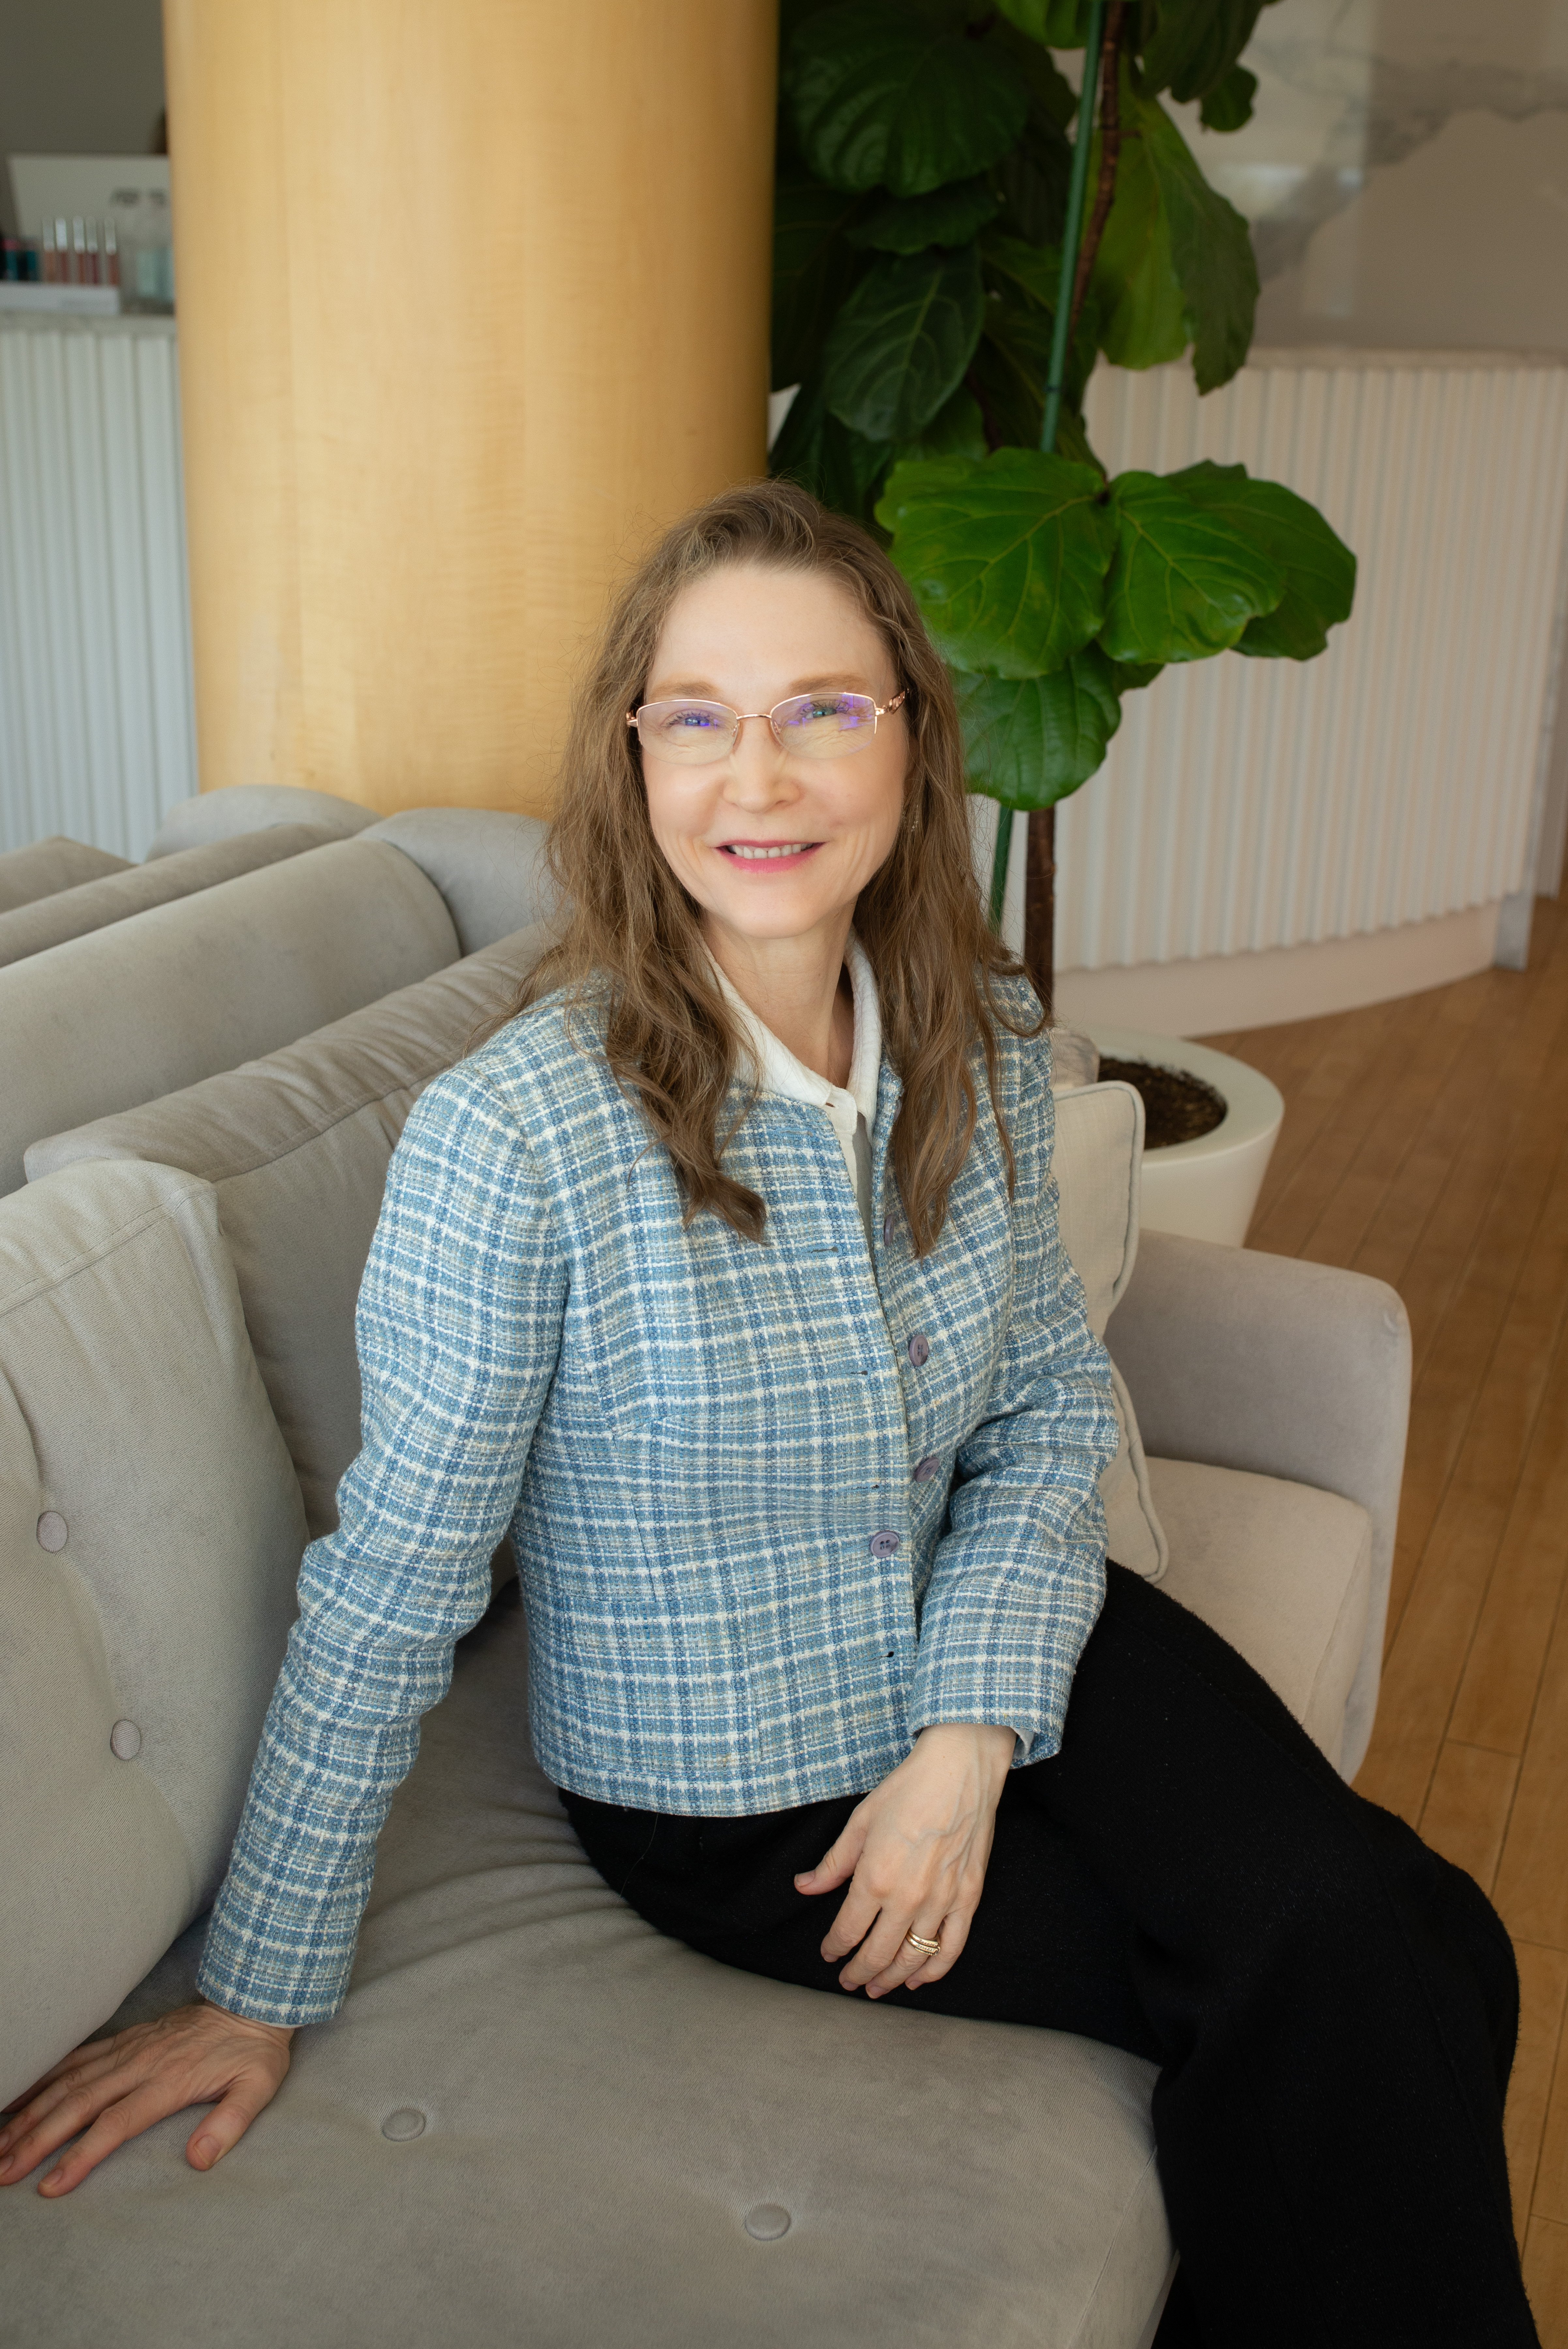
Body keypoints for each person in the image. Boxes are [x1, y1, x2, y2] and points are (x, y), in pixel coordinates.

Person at [0, 482, 1538, 2348]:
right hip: (738, 1783)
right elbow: (391, 1579)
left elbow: (1045, 1397)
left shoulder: (969, 1023)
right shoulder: (519, 1139)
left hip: (999, 1635)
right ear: (632, 763)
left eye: (825, 707)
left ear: (908, 737)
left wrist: (970, 1733)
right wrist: (256, 1985)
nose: (764, 773)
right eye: (700, 716)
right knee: (1343, 1991)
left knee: (1420, 1932)